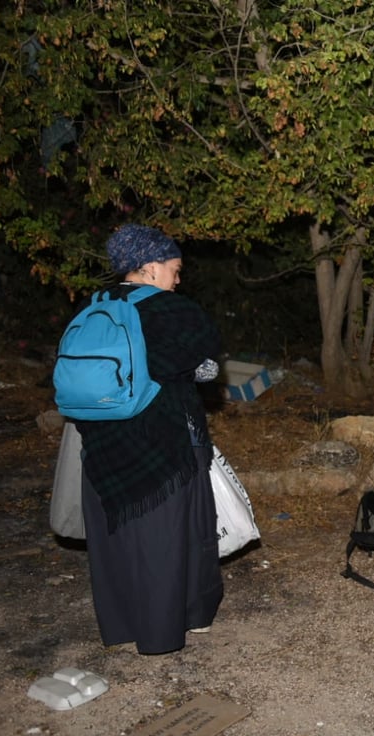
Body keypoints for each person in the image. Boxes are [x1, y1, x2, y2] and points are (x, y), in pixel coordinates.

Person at [74, 223, 224, 655]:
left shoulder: (94, 306)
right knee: (169, 542)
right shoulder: (170, 309)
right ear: (152, 267)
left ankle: (121, 625)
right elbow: (207, 369)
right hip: (164, 441)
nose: (178, 279)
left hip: (102, 442)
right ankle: (167, 631)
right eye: (175, 269)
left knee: (116, 542)